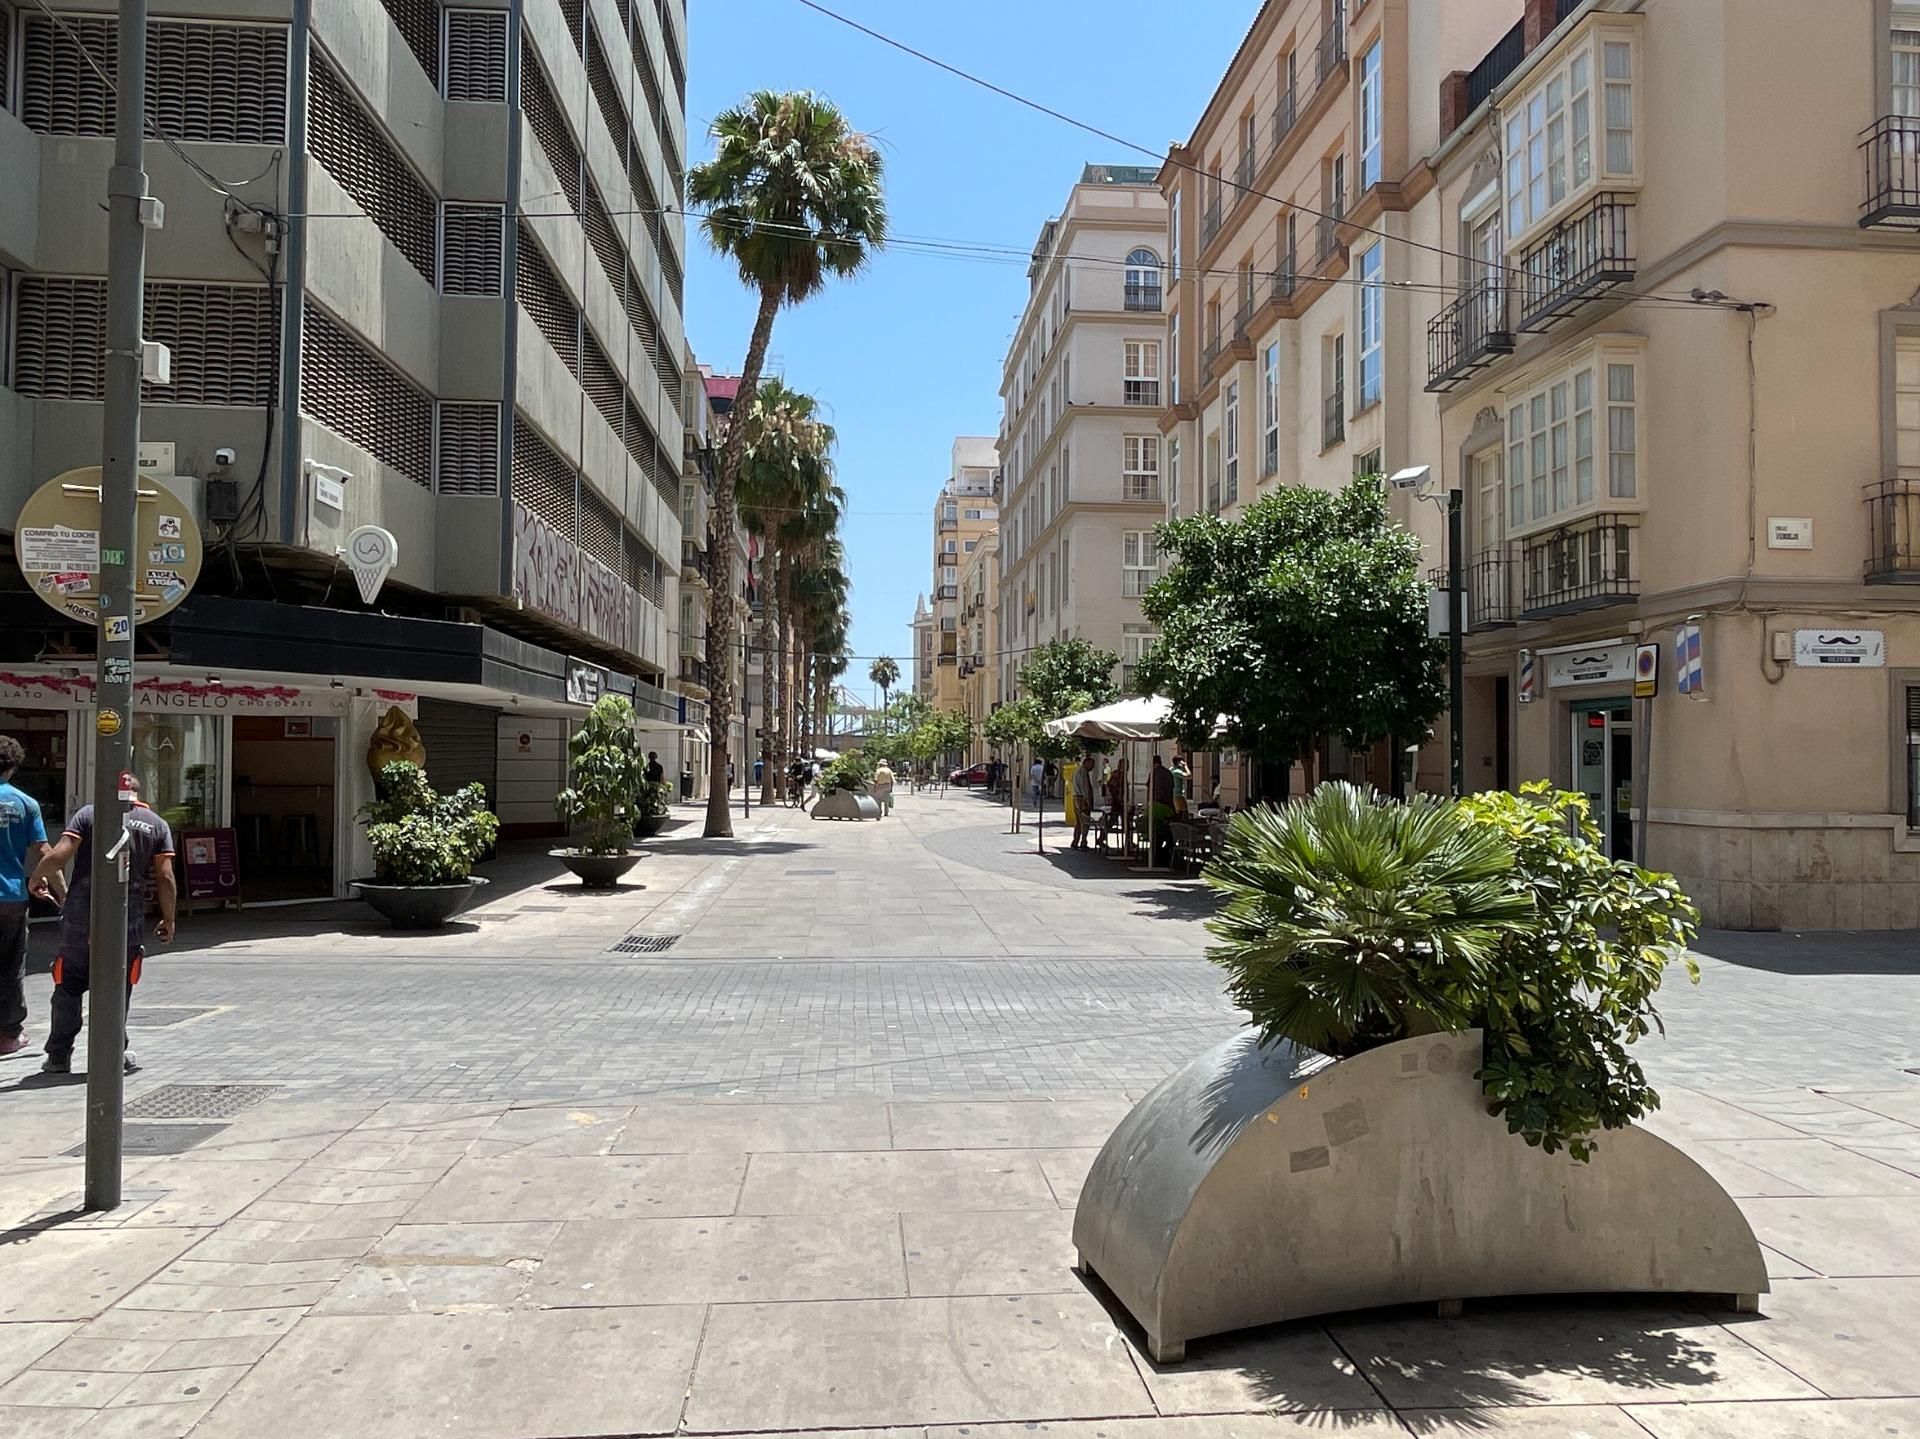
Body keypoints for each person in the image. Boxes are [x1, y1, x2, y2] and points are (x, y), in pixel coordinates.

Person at [29, 777, 176, 1076]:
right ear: (138, 792)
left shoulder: (89, 814)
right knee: (118, 984)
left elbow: (60, 854)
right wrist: (169, 917)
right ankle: (113, 1052)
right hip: (127, 916)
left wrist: (37, 876)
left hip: (82, 912)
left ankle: (59, 1055)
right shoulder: (156, 824)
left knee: (68, 984)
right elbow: (165, 876)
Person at [1, 735, 52, 1059]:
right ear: (14, 766)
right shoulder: (25, 803)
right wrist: (53, 885)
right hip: (10, 895)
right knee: (10, 964)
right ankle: (8, 1035)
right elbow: (45, 851)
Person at [1148, 754, 1177, 863]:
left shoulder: (1153, 773)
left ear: (1153, 763)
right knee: (1170, 833)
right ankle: (1166, 853)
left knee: (1156, 832)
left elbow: (1149, 788)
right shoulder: (1168, 773)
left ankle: (1158, 854)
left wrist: (1150, 802)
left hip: (1157, 806)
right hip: (1168, 806)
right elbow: (1172, 788)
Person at [1069, 756, 1097, 850]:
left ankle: (1075, 841)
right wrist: (1088, 800)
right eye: (1092, 764)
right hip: (1082, 799)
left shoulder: (1077, 770)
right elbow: (1085, 787)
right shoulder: (1083, 771)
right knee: (1085, 821)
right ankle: (1083, 842)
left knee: (1078, 821)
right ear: (1086, 763)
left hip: (1075, 797)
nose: (1093, 767)